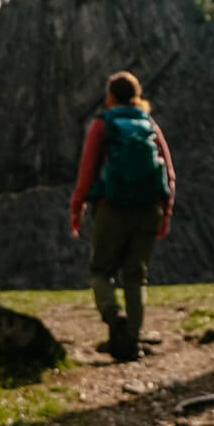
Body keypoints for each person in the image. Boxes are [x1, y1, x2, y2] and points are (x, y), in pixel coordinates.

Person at [69, 70, 176, 361]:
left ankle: (114, 317)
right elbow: (168, 172)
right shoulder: (149, 125)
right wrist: (165, 212)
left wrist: (77, 208)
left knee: (100, 272)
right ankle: (131, 342)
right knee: (136, 278)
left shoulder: (102, 125)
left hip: (111, 210)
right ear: (137, 95)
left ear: (110, 97)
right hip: (149, 210)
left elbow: (86, 171)